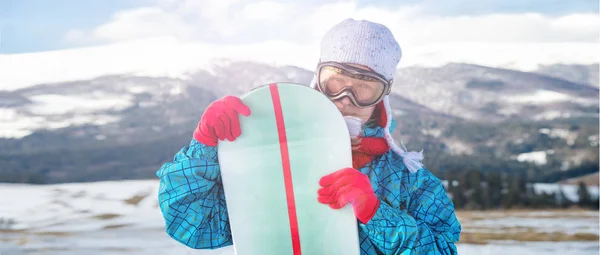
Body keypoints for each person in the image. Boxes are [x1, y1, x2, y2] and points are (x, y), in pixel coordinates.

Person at [156, 18, 461, 254]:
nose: (345, 97)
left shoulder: (411, 181)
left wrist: (377, 214)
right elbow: (193, 226)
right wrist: (205, 147)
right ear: (317, 80)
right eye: (335, 81)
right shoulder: (270, 161)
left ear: (383, 96)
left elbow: (444, 250)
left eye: (365, 87)